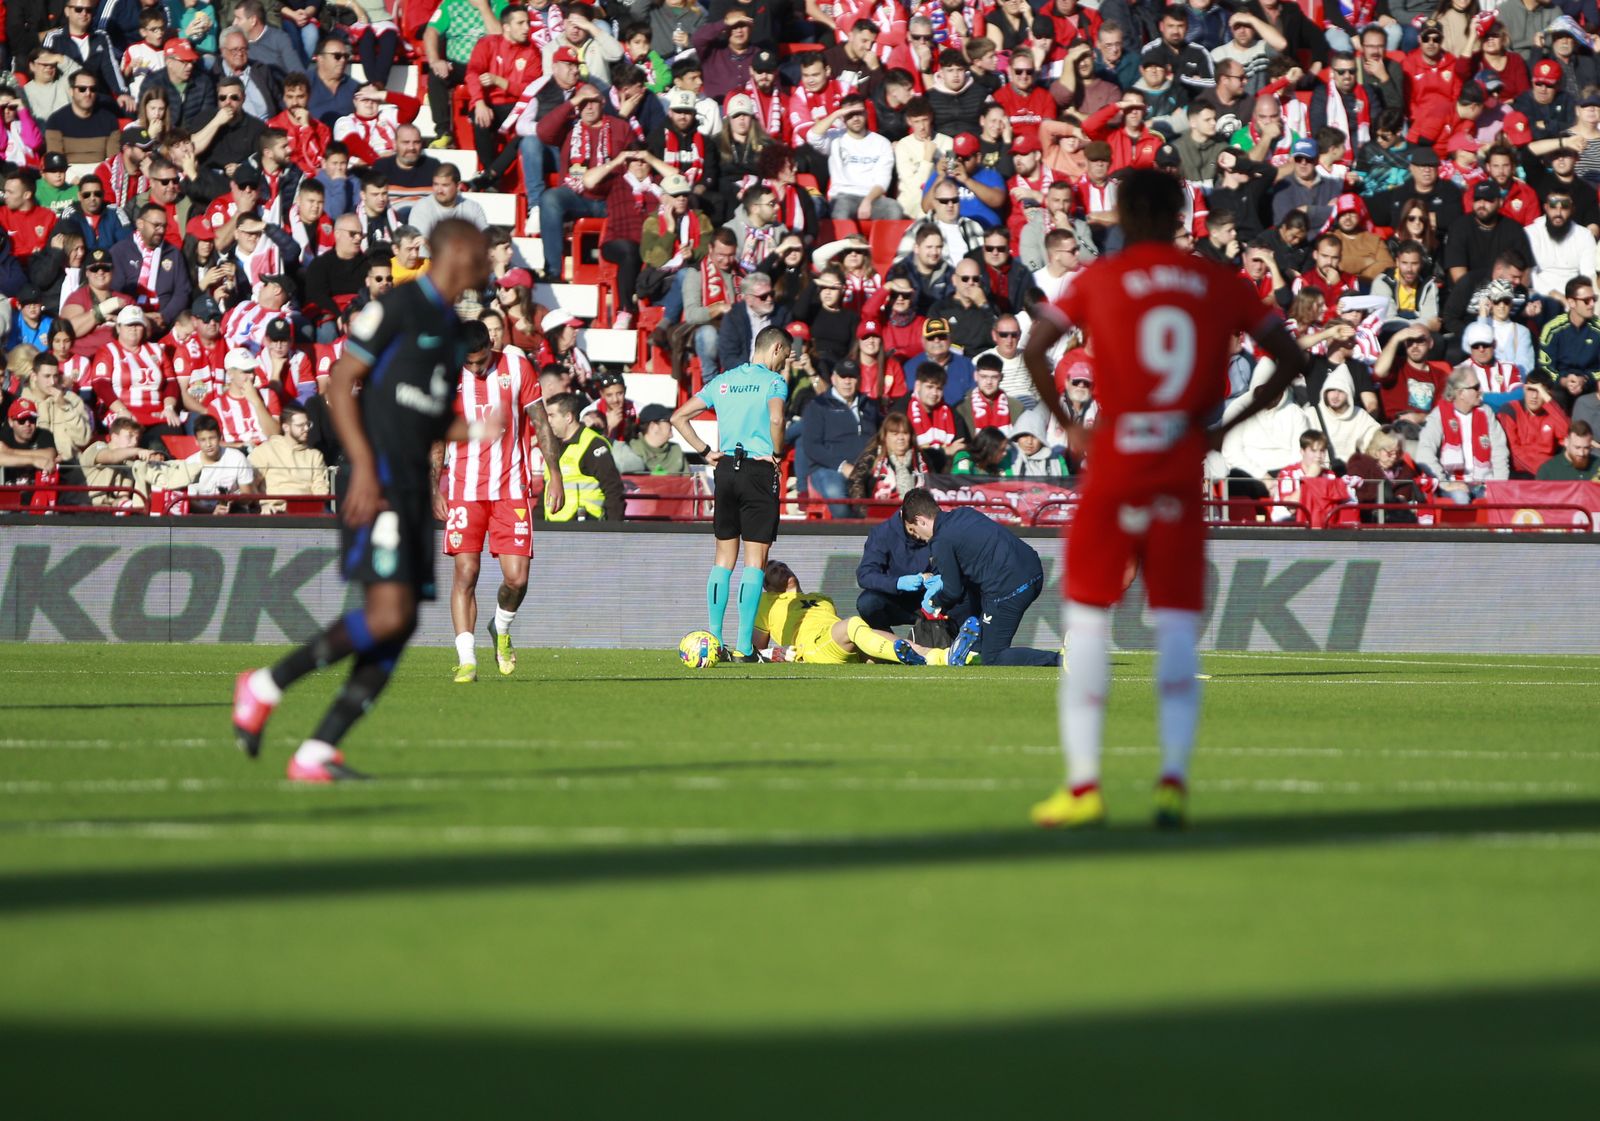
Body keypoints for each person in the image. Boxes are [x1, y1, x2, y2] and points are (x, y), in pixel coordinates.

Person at [1022, 167, 1305, 830]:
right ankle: (1173, 778)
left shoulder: (1101, 278)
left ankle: (1084, 786)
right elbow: (1288, 357)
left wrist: (1067, 424)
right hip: (1180, 460)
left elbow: (1037, 344)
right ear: (1179, 213)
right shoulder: (1218, 282)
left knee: (1089, 617)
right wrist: (1227, 425)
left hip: (1118, 456)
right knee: (1176, 623)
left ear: (1122, 211)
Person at [233, 219, 492, 783]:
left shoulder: (452, 329)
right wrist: (366, 467)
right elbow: (341, 382)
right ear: (451, 254)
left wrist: (469, 433)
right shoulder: (398, 308)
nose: (488, 268)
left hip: (410, 487)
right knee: (388, 614)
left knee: (397, 627)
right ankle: (265, 687)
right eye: (480, 256)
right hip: (374, 479)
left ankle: (317, 752)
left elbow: (426, 414)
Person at [432, 319, 564, 684]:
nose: (475, 369)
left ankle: (500, 628)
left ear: (491, 346)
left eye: (480, 361)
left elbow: (541, 424)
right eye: (468, 363)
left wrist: (555, 474)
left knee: (517, 579)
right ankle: (467, 658)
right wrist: (434, 488)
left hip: (511, 489)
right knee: (466, 572)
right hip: (464, 490)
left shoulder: (517, 367)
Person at [670, 325, 791, 664]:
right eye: (785, 357)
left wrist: (705, 451)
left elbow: (679, 417)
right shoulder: (774, 382)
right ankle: (743, 647)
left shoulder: (723, 381)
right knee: (756, 560)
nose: (784, 365)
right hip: (758, 470)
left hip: (725, 470)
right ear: (777, 348)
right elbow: (777, 418)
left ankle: (713, 639)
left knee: (723, 557)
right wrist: (778, 453)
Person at [899, 487, 1053, 668]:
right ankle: (966, 647)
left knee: (993, 658)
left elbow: (952, 591)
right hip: (1034, 570)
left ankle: (1061, 659)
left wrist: (933, 602)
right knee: (978, 648)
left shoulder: (941, 541)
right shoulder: (965, 513)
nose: (918, 538)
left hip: (1011, 588)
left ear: (920, 520)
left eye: (913, 530)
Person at [753, 560, 955, 666]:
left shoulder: (821, 598)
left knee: (876, 637)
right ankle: (918, 657)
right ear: (767, 585)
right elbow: (756, 650)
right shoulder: (765, 602)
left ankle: (941, 657)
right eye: (774, 569)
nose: (781, 569)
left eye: (783, 565)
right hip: (810, 647)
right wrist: (775, 654)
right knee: (853, 624)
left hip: (834, 642)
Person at [1416, 365, 1511, 502]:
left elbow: (1499, 451)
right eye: (1476, 387)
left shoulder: (1486, 412)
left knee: (1504, 500)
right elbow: (1423, 453)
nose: (1481, 391)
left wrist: (1500, 486)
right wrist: (1445, 483)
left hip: (1485, 483)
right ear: (1460, 393)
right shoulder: (1439, 415)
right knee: (1461, 499)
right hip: (1454, 484)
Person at [800, 359, 882, 518]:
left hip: (868, 466)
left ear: (859, 379)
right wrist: (842, 466)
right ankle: (850, 537)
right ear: (833, 378)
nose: (847, 381)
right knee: (836, 494)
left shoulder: (870, 405)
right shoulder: (818, 405)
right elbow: (811, 446)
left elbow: (883, 434)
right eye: (843, 376)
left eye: (852, 377)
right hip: (828, 468)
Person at [539, 391, 623, 521]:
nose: (548, 421)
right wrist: (536, 526)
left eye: (552, 416)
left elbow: (613, 489)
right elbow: (546, 492)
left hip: (584, 530)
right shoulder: (553, 446)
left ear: (568, 417)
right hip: (553, 530)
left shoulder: (592, 444)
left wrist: (613, 531)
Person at [613, 403, 689, 474]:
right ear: (654, 426)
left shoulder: (675, 450)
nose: (672, 424)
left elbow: (688, 482)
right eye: (668, 421)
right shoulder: (631, 450)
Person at [1536, 419, 1600, 480]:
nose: (1581, 453)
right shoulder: (1548, 471)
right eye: (1577, 447)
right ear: (1566, 442)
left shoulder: (1598, 465)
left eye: (1586, 448)